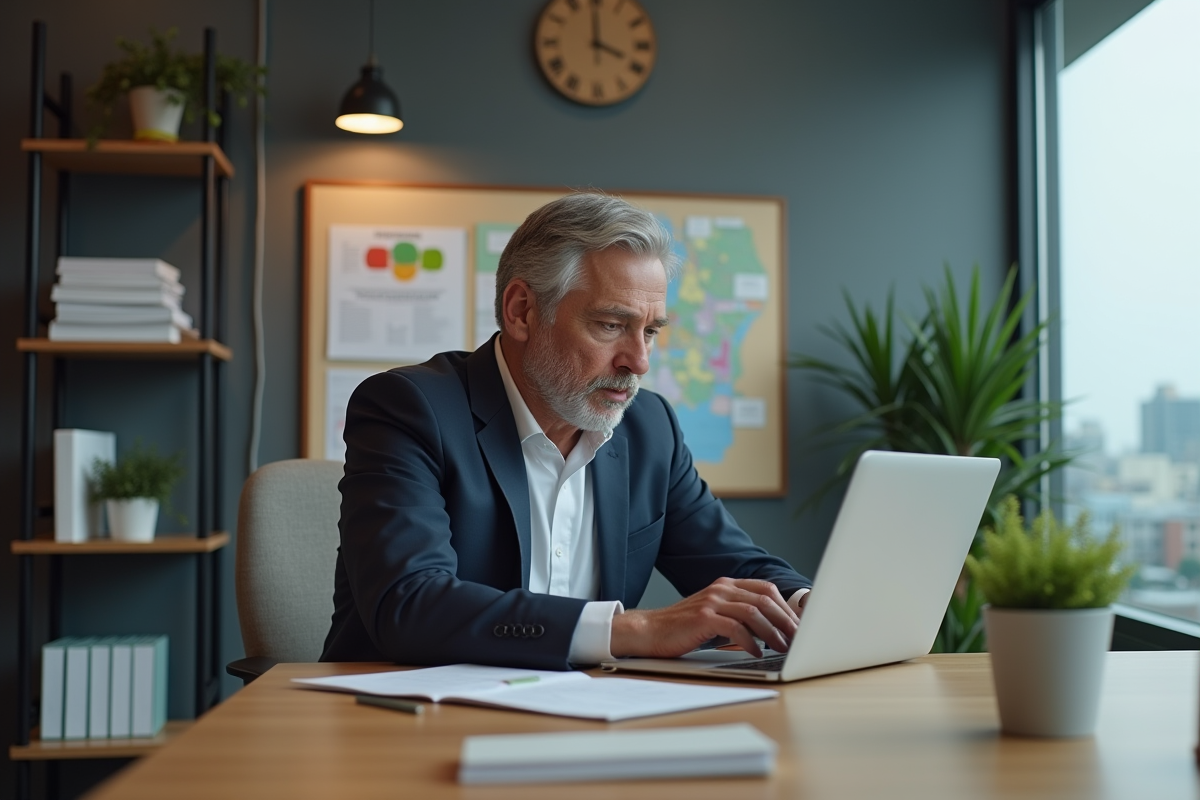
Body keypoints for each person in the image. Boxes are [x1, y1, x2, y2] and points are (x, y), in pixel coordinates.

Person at [322, 192, 812, 670]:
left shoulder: (648, 428)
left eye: (651, 331)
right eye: (609, 325)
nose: (638, 361)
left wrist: (806, 604)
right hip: (403, 722)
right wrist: (634, 631)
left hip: (586, 718)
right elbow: (411, 605)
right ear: (522, 312)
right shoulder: (410, 408)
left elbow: (738, 567)